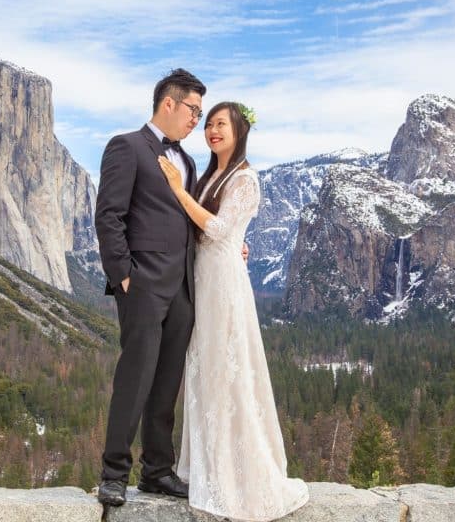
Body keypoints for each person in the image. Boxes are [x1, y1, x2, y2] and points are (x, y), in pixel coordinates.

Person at [158, 102, 309, 521]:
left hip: (223, 283)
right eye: (208, 124)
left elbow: (222, 229)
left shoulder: (246, 178)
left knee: (228, 367)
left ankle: (239, 472)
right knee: (205, 366)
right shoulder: (209, 176)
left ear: (239, 130)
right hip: (202, 276)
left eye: (220, 124)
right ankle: (207, 464)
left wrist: (178, 191)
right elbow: (210, 227)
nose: (211, 131)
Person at [94, 68, 205, 506]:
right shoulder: (127, 147)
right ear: (168, 104)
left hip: (182, 289)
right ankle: (114, 472)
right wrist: (124, 275)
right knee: (135, 378)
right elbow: (109, 215)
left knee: (167, 383)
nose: (197, 119)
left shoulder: (189, 162)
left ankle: (157, 471)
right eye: (193, 110)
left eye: (200, 112)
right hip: (141, 285)